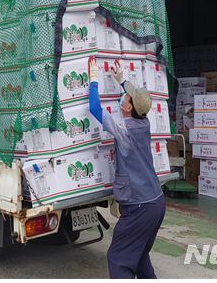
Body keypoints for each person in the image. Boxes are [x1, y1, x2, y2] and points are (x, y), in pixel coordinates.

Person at [87, 56, 166, 279]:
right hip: (156, 203)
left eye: (125, 96)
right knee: (139, 256)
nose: (123, 96)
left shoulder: (124, 129)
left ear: (128, 105)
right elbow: (135, 98)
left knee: (119, 259)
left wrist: (93, 79)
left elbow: (94, 108)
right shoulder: (144, 121)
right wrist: (122, 80)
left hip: (139, 207)